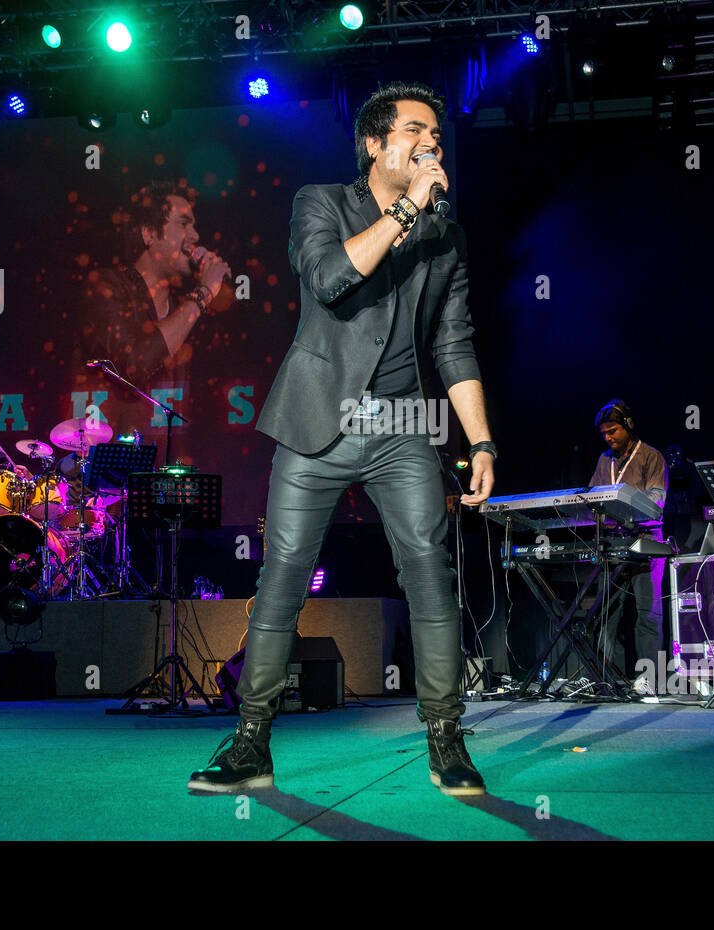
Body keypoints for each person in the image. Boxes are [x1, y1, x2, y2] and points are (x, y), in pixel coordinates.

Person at [188, 82, 496, 796]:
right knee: (282, 579)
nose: (432, 145)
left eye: (438, 137)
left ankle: (446, 737)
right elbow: (329, 278)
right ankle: (250, 740)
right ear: (374, 143)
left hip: (401, 429)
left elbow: (454, 344)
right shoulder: (319, 202)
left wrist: (480, 443)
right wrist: (406, 208)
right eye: (416, 131)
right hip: (314, 422)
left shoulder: (446, 237)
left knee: (428, 570)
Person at [82, 180, 230, 384]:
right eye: (184, 223)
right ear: (149, 233)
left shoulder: (185, 305)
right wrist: (202, 295)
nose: (195, 235)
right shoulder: (106, 286)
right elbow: (134, 366)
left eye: (194, 226)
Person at [588, 400, 668, 691]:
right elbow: (594, 497)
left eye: (613, 431)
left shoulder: (651, 456)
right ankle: (607, 678)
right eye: (605, 433)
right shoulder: (603, 461)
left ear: (629, 426)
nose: (608, 437)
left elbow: (657, 502)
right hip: (613, 544)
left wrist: (624, 509)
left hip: (646, 545)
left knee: (647, 615)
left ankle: (652, 678)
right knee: (608, 615)